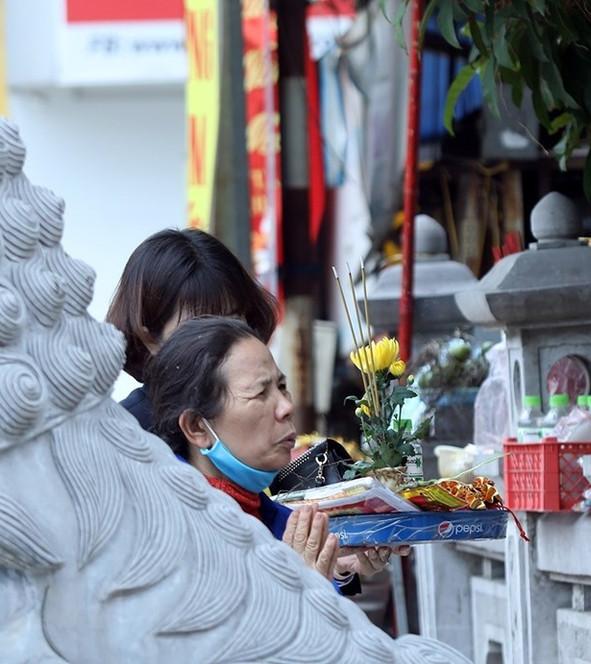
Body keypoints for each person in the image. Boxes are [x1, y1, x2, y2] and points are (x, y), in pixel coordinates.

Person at [147, 316, 402, 593]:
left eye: (281, 387)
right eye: (259, 393)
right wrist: (300, 588)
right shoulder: (177, 538)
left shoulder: (265, 513)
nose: (285, 407)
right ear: (198, 427)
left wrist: (335, 567)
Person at [106, 228, 279, 431]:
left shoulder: (272, 408)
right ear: (150, 338)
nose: (221, 341)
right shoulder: (124, 434)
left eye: (233, 321)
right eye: (201, 326)